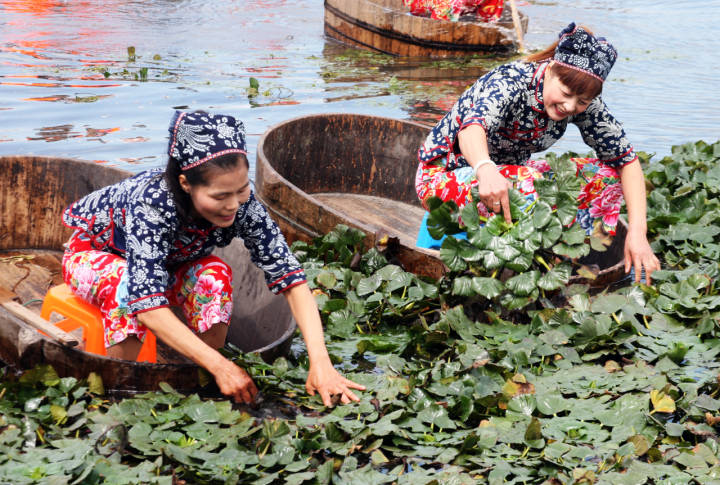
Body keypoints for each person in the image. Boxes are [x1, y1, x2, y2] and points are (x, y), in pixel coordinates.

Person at [61, 110, 365, 406]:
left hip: (170, 266)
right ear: (185, 184)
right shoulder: (152, 204)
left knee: (214, 275)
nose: (233, 205)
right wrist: (225, 367)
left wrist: (321, 364)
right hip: (95, 257)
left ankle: (203, 378)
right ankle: (122, 388)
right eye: (220, 196)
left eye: (242, 189)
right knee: (125, 285)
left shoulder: (243, 204)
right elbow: (148, 306)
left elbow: (292, 280)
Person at [415, 22, 661, 284]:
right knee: (524, 183)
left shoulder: (584, 104)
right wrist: (486, 170)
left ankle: (568, 257)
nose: (570, 106)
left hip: (511, 181)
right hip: (446, 178)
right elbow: (470, 129)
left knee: (607, 177)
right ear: (551, 68)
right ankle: (519, 258)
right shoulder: (511, 82)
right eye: (565, 94)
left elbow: (627, 161)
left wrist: (638, 231)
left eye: (582, 101)